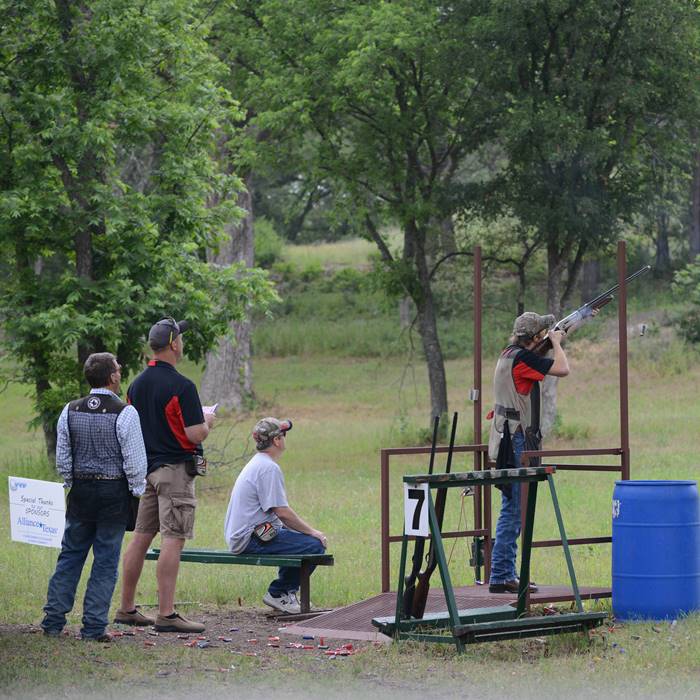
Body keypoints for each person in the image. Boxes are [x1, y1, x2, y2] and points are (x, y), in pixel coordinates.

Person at [116, 318, 215, 633]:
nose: (182, 344)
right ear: (174, 344)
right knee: (174, 539)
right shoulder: (182, 386)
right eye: (181, 339)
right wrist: (208, 419)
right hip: (174, 473)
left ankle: (127, 608)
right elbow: (195, 433)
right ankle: (167, 614)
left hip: (148, 471)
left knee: (140, 538)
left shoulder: (136, 385)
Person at [41, 353, 147, 641]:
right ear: (112, 377)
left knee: (71, 555)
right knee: (105, 560)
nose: (121, 369)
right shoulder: (125, 412)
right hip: (113, 490)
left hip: (81, 490)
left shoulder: (69, 410)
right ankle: (93, 627)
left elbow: (63, 458)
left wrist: (71, 481)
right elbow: (135, 463)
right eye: (118, 367)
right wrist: (135, 492)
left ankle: (53, 620)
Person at [486, 312, 570, 594]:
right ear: (535, 337)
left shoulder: (509, 354)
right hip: (515, 441)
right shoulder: (522, 358)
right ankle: (501, 575)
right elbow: (562, 369)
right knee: (514, 509)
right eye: (543, 333)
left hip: (505, 437)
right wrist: (557, 343)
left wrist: (550, 340)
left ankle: (504, 573)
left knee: (513, 507)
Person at [224, 418, 328, 614]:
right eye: (283, 435)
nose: (285, 439)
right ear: (277, 440)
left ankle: (283, 593)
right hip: (250, 538)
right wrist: (314, 533)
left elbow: (276, 515)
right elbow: (282, 512)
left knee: (295, 539)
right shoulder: (268, 468)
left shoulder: (259, 463)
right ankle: (279, 593)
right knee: (314, 546)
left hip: (250, 533)